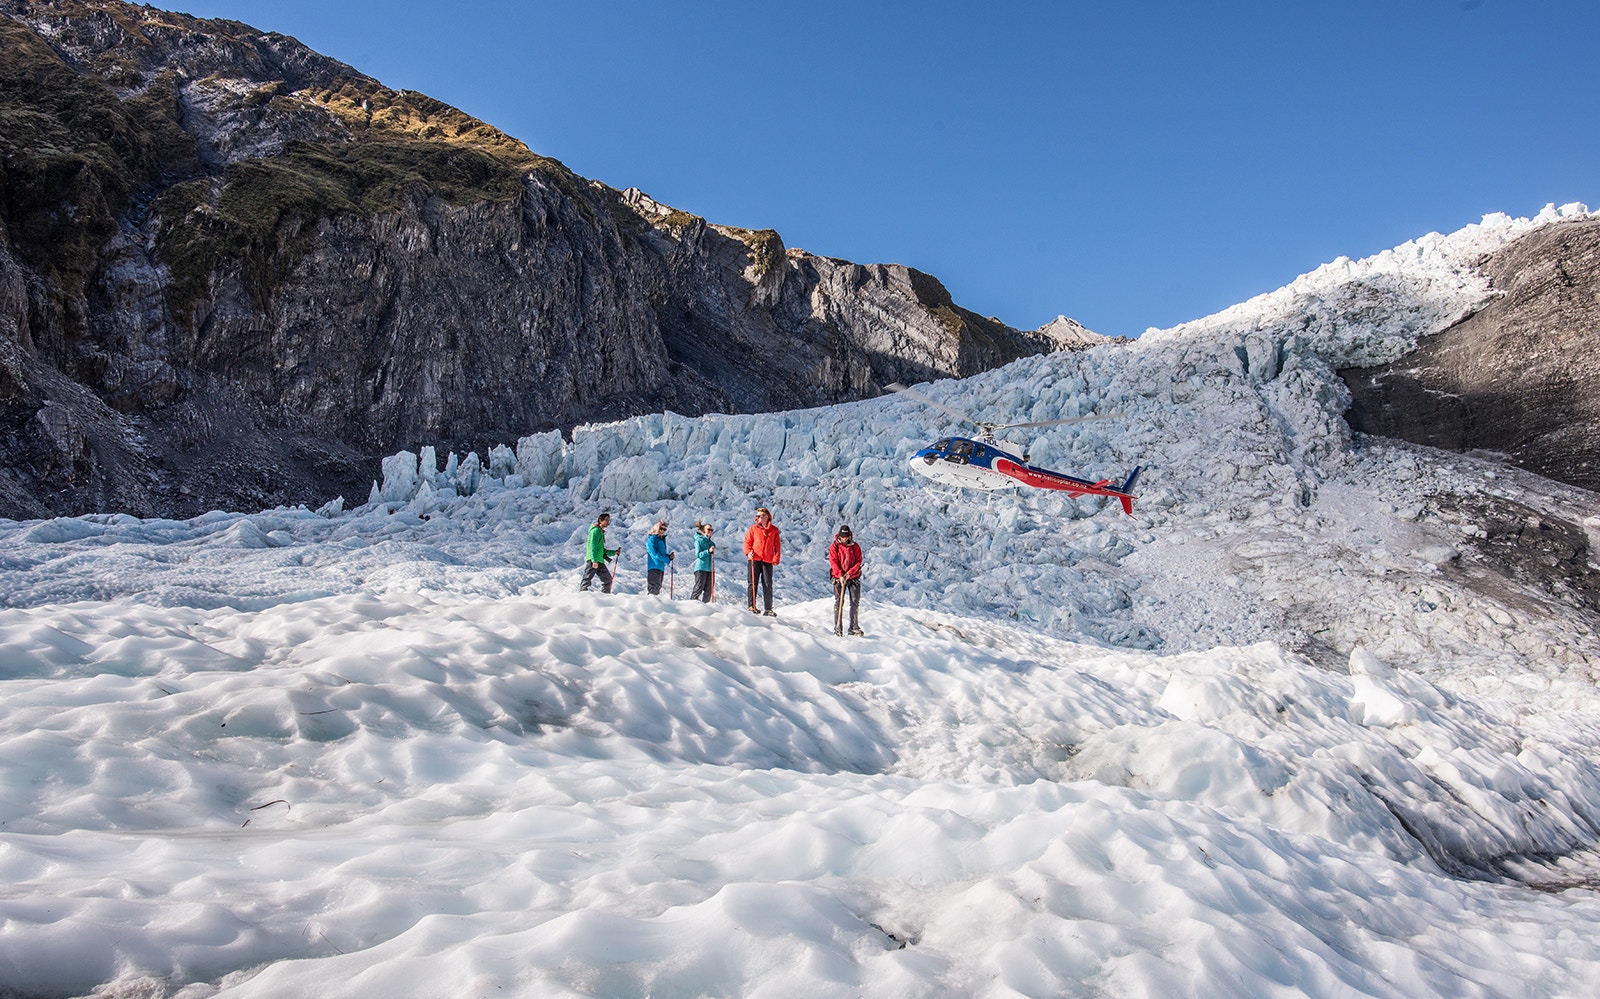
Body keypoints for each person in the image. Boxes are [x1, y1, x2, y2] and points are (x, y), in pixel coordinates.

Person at [743, 506, 780, 615]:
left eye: (761, 515)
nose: (759, 517)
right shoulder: (753, 529)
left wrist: (776, 558)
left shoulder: (774, 530)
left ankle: (768, 609)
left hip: (767, 560)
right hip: (754, 559)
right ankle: (752, 606)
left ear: (767, 517)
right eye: (758, 516)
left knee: (767, 584)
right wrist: (748, 552)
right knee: (752, 582)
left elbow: (777, 546)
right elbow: (747, 542)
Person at [828, 524, 864, 636]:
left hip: (853, 577)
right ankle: (838, 627)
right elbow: (833, 561)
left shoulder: (855, 546)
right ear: (839, 536)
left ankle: (853, 627)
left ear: (849, 536)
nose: (844, 539)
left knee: (855, 601)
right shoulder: (834, 546)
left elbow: (858, 561)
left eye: (846, 536)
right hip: (838, 577)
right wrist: (840, 575)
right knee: (839, 602)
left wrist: (849, 573)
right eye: (842, 537)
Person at [581, 512, 620, 593]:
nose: (608, 522)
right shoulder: (595, 531)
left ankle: (605, 597)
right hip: (594, 560)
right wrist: (594, 560)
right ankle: (583, 595)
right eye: (606, 520)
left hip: (599, 560)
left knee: (608, 580)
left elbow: (601, 550)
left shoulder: (600, 532)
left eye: (608, 520)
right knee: (587, 579)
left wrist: (614, 552)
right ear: (600, 520)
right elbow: (592, 546)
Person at [645, 519, 675, 596]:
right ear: (656, 528)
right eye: (661, 528)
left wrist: (669, 557)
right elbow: (655, 554)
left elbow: (661, 554)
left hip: (660, 567)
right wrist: (667, 559)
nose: (662, 531)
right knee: (653, 589)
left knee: (657, 588)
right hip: (654, 566)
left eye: (664, 529)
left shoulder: (660, 539)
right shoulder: (652, 539)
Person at [689, 521, 716, 603]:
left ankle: (705, 606)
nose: (710, 531)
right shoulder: (699, 541)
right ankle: (692, 604)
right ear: (704, 530)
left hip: (710, 569)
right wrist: (708, 551)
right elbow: (698, 555)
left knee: (709, 590)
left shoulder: (712, 543)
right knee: (699, 588)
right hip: (701, 568)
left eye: (711, 530)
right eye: (708, 529)